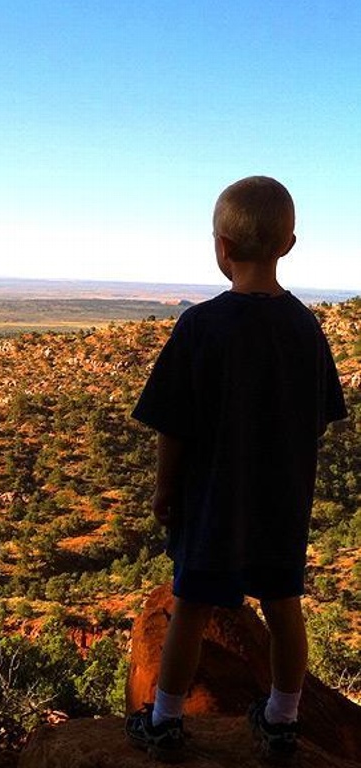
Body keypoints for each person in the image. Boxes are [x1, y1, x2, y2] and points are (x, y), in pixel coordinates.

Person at [124, 176, 348, 763]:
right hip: (280, 501)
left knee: (190, 607)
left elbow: (174, 426)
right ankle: (281, 719)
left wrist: (164, 490)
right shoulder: (306, 327)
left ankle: (165, 720)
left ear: (221, 245)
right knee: (283, 606)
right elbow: (321, 416)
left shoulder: (200, 327)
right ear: (289, 243)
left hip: (211, 501)